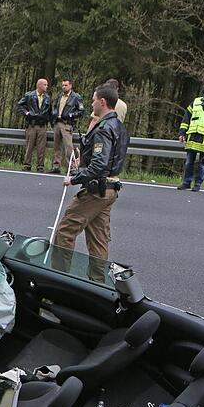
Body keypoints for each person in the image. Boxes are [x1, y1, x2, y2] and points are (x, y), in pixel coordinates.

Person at [52, 84, 129, 282]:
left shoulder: (103, 128)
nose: (92, 103)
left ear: (102, 102)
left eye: (94, 99)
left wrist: (74, 178)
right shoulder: (119, 127)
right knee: (98, 240)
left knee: (65, 232)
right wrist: (83, 161)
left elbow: (100, 165)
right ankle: (97, 283)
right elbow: (110, 160)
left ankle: (57, 281)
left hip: (95, 191)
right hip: (110, 190)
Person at [17, 78, 52, 172]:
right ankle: (27, 164)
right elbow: (20, 105)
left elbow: (50, 111)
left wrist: (49, 121)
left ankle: (40, 166)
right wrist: (27, 113)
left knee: (41, 147)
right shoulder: (29, 95)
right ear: (39, 85)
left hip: (42, 125)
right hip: (32, 125)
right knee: (29, 146)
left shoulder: (47, 97)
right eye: (45, 85)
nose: (46, 86)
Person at [50, 78, 83, 173]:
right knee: (57, 146)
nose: (63, 87)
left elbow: (81, 111)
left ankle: (72, 167)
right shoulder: (60, 96)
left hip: (67, 123)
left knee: (68, 147)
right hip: (57, 122)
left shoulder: (76, 97)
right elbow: (55, 106)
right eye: (63, 85)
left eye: (66, 85)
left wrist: (71, 115)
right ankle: (56, 166)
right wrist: (54, 115)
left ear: (71, 85)